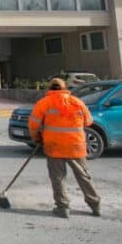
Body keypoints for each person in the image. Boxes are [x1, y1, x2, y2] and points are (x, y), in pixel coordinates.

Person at [28, 77, 101, 218]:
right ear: (64, 88)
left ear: (50, 88)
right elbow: (89, 121)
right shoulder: (77, 102)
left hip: (54, 147)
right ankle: (95, 204)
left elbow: (33, 125)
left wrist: (37, 138)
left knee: (58, 177)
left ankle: (63, 207)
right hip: (76, 147)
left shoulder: (44, 103)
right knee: (83, 176)